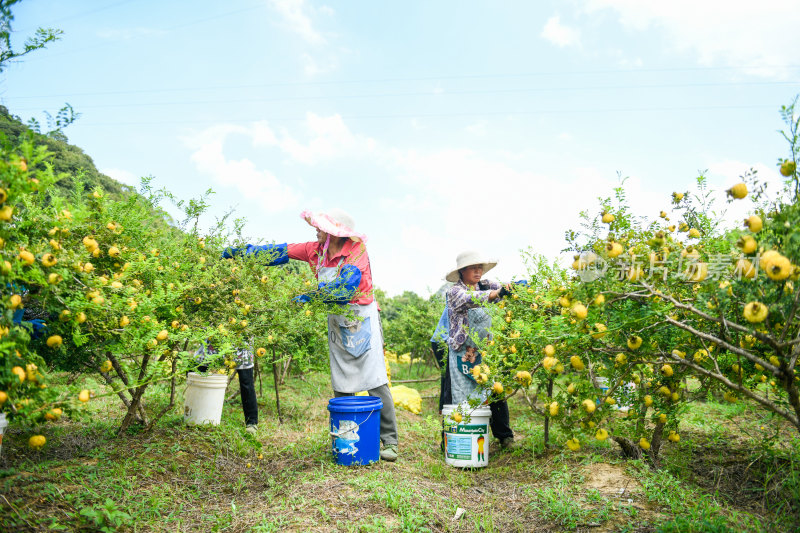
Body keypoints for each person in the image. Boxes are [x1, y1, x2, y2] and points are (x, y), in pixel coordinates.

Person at [222, 208, 399, 461]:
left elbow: (345, 289)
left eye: (321, 227)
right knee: (342, 379)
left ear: (334, 233)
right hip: (338, 321)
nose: (316, 230)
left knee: (375, 380)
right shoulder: (315, 250)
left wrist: (311, 297)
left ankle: (389, 441)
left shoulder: (356, 252)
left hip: (362, 319)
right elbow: (279, 251)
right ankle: (349, 438)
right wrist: (242, 253)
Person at [444, 250, 516, 450]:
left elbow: (501, 288)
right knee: (460, 396)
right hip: (462, 354)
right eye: (473, 268)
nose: (478, 271)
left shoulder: (486, 284)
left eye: (480, 268)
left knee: (494, 390)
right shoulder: (455, 292)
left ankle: (505, 437)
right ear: (462, 271)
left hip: (485, 351)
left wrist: (514, 287)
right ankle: (455, 441)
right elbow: (473, 298)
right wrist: (496, 294)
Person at [194, 342, 258, 435]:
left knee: (246, 379)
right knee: (198, 366)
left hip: (241, 339)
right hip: (217, 336)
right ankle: (195, 412)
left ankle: (251, 423)